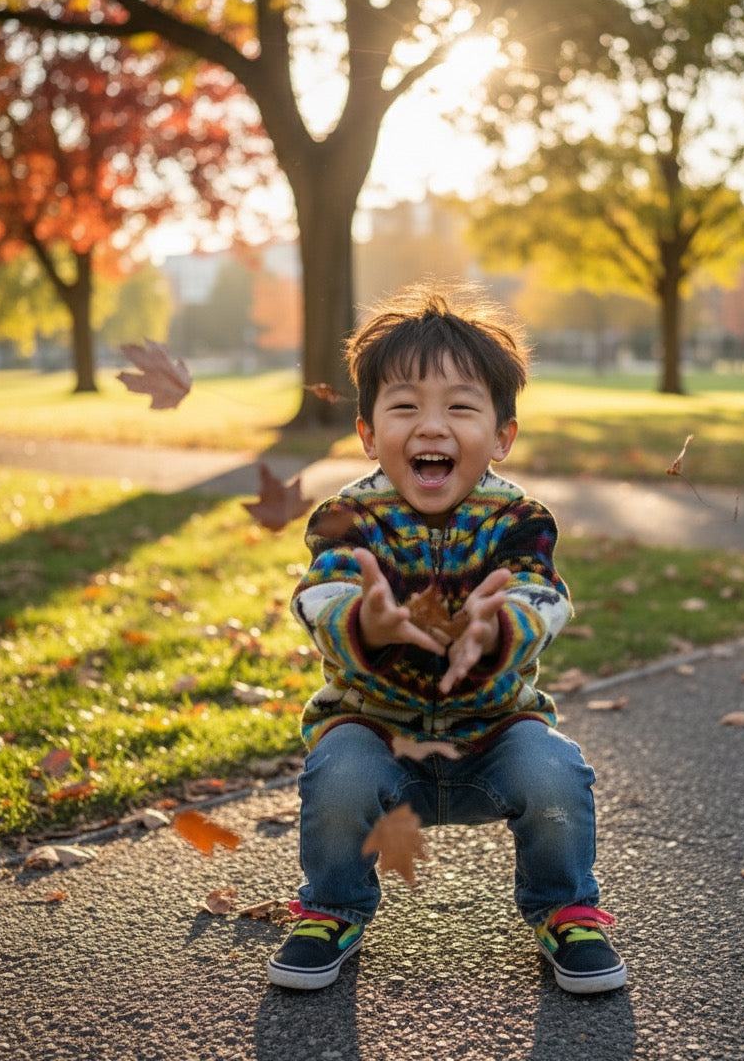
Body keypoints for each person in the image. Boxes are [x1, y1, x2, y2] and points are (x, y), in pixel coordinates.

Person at [267, 284, 626, 995]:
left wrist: (500, 628)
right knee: (337, 771)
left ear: (500, 436)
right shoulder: (346, 518)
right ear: (369, 432)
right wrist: (362, 624)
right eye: (405, 407)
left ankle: (565, 908)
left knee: (555, 771)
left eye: (460, 407)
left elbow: (543, 598)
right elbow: (318, 597)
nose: (431, 426)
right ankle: (331, 908)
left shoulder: (520, 519)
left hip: (493, 734)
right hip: (376, 733)